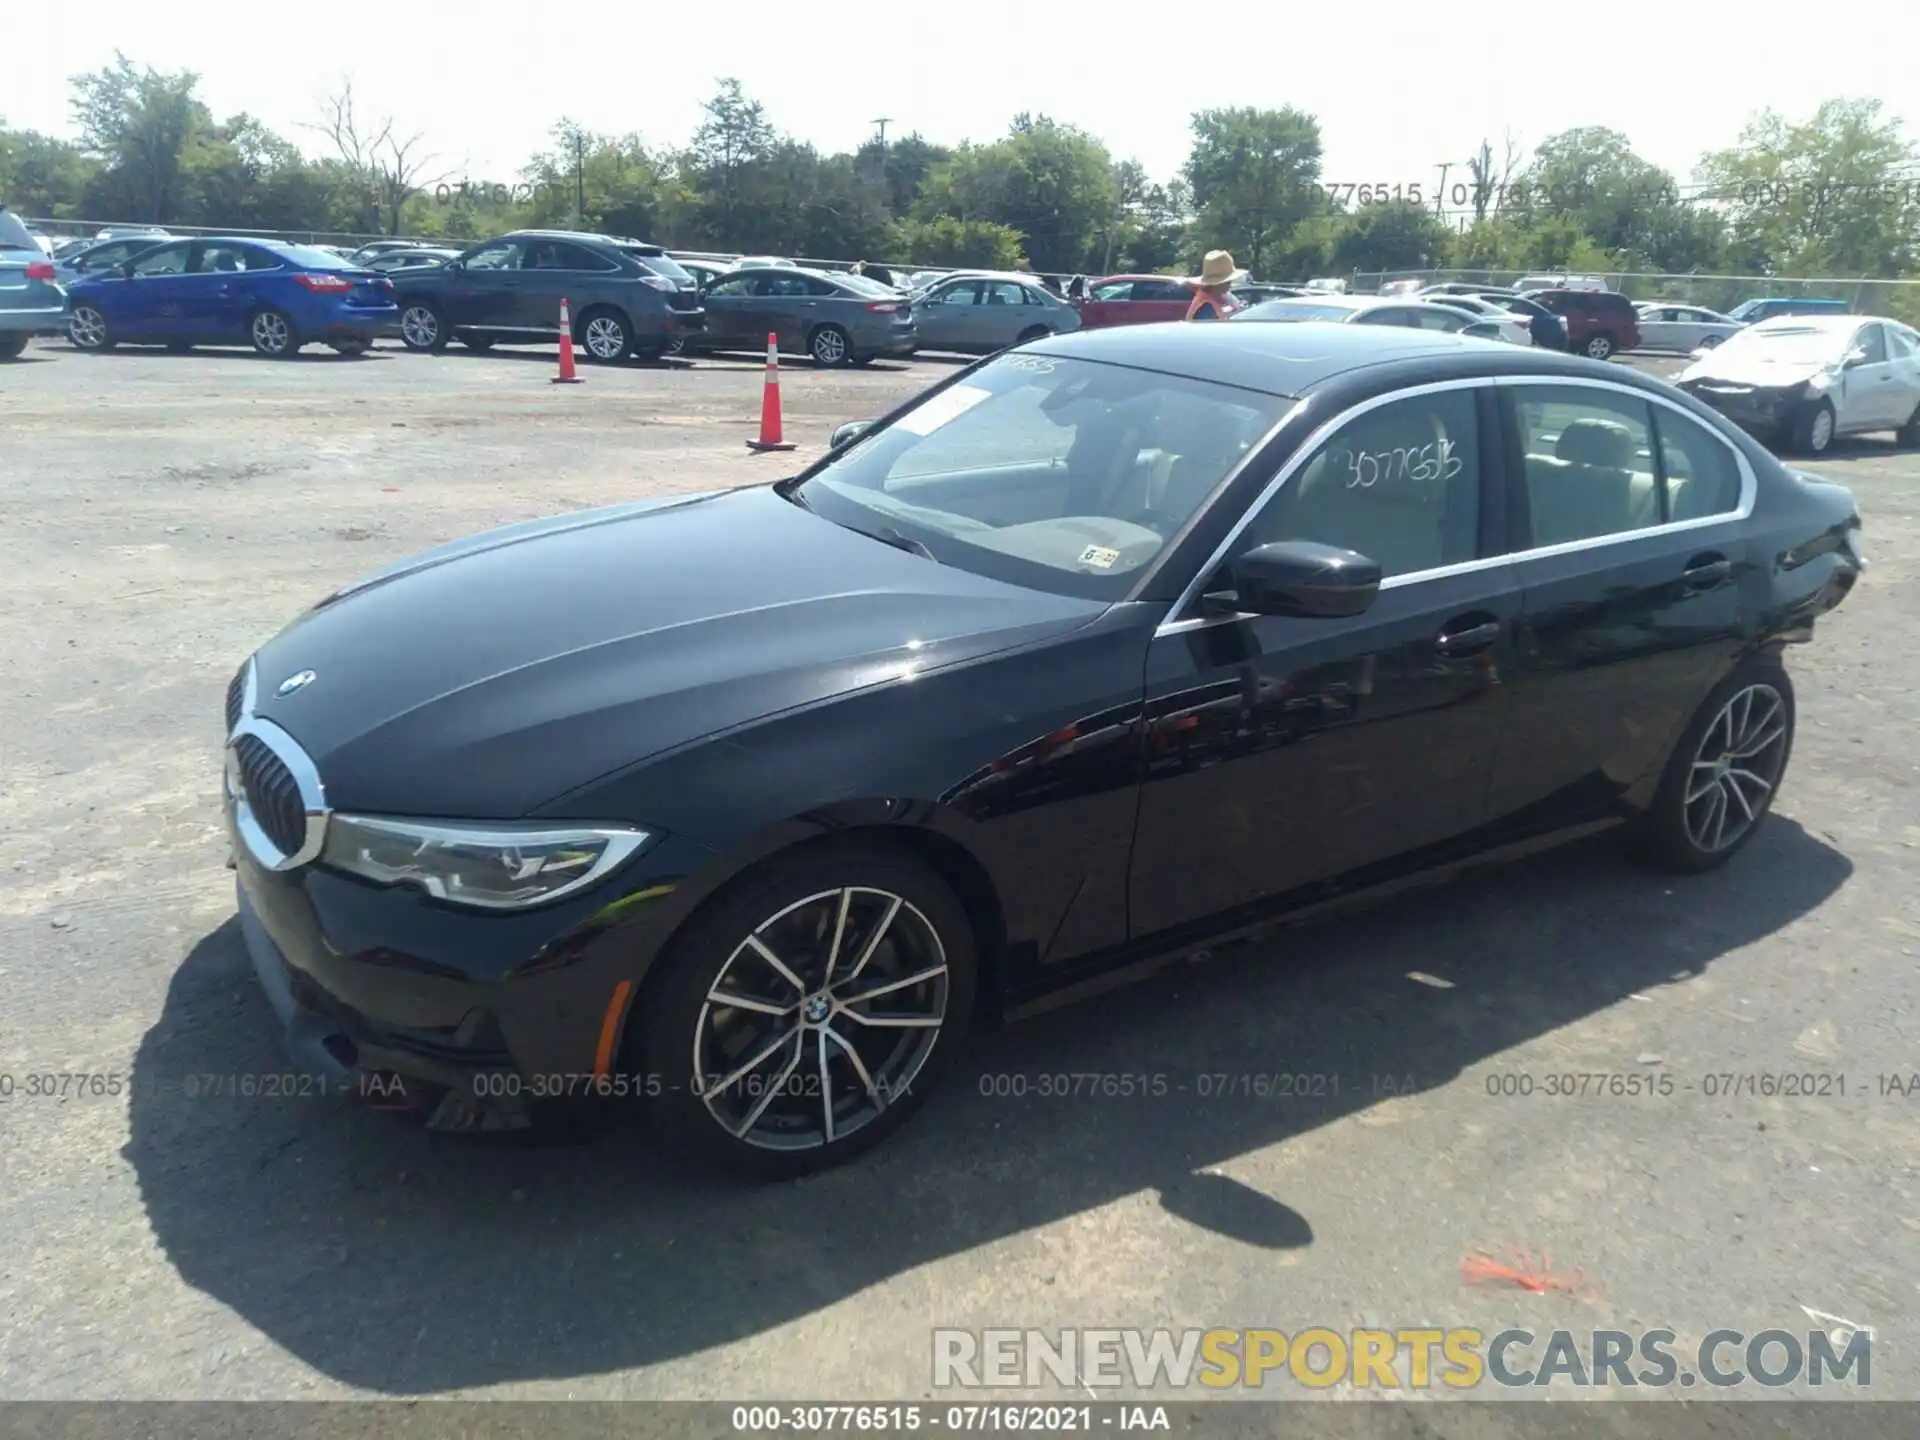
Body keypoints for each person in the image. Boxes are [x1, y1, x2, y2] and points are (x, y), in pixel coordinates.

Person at [1184, 249, 1247, 321]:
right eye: (1227, 282)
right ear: (1217, 284)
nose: (1229, 286)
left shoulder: (1221, 296)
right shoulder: (1206, 308)